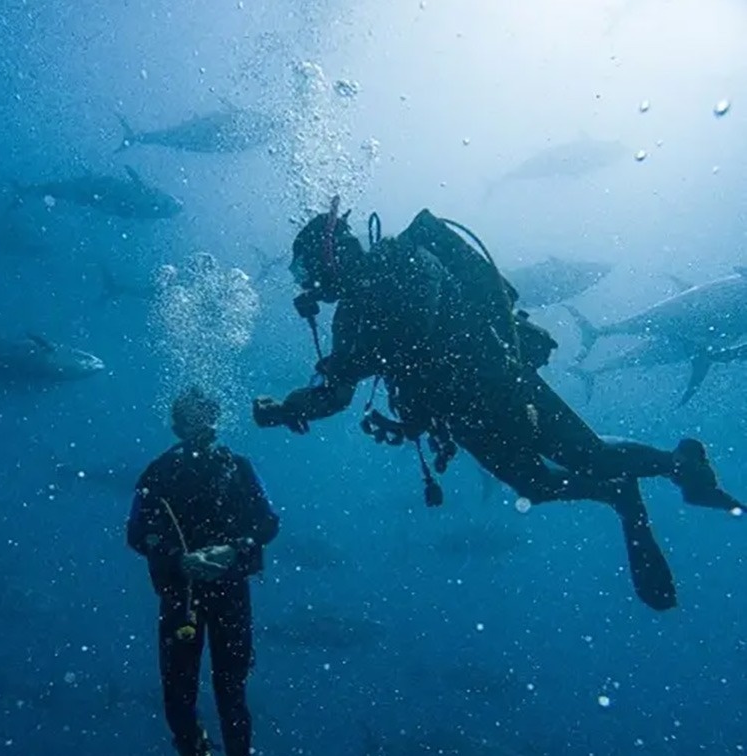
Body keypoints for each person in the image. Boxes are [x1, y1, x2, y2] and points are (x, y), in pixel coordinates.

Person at [252, 200, 743, 611]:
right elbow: (336, 393)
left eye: (305, 269)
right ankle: (619, 494)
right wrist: (288, 408)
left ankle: (681, 465)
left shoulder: (402, 257)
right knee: (540, 485)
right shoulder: (350, 320)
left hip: (501, 385)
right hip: (460, 415)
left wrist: (353, 372)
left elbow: (420, 326)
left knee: (588, 454)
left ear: (328, 256)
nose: (305, 282)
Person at [128, 386, 277, 756]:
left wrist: (231, 549)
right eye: (186, 416)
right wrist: (179, 560)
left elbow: (266, 523)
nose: (196, 424)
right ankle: (194, 755)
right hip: (183, 598)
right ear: (176, 420)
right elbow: (138, 532)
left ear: (214, 418)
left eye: (203, 415)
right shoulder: (159, 471)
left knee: (230, 693)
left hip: (227, 594)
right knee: (181, 695)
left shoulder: (237, 467)